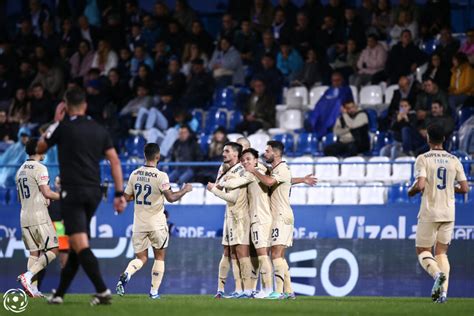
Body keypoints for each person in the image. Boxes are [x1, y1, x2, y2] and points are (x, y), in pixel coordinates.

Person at [38, 87, 127, 305]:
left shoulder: (63, 127)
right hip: (94, 193)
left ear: (66, 107)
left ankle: (103, 290)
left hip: (73, 192)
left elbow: (39, 147)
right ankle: (59, 294)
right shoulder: (99, 129)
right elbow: (114, 161)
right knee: (78, 246)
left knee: (79, 244)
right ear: (85, 105)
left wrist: (56, 122)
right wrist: (118, 193)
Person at [116, 143, 192, 299]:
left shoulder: (134, 174)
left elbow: (126, 197)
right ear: (158, 157)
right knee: (159, 257)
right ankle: (154, 292)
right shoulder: (161, 176)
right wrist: (185, 189)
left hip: (139, 224)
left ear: (144, 155)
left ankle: (127, 274)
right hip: (156, 224)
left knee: (141, 258)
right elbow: (171, 198)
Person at [408, 124, 469, 303]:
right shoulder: (454, 160)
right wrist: (451, 187)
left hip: (430, 212)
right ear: (443, 139)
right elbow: (465, 188)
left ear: (428, 138)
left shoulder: (423, 158)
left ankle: (437, 275)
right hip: (449, 213)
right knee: (442, 253)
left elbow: (420, 185)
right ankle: (442, 294)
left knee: (423, 250)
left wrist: (411, 191)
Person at [243, 140, 294, 299]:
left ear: (276, 153)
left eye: (267, 151)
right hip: (278, 215)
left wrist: (254, 171)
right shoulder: (277, 169)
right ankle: (289, 291)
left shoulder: (282, 169)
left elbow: (270, 181)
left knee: (276, 254)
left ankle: (277, 292)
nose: (265, 153)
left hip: (281, 215)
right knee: (279, 255)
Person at [206, 142, 254, 299]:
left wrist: (213, 189)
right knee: (228, 252)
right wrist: (217, 185)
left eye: (227, 151)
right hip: (229, 215)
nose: (223, 153)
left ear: (235, 154)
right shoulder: (225, 168)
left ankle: (247, 290)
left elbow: (232, 197)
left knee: (241, 252)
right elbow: (220, 185)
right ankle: (222, 289)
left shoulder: (240, 170)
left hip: (240, 215)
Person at [16, 138, 61, 297]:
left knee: (34, 253)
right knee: (54, 249)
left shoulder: (20, 169)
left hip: (24, 216)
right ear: (38, 149)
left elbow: (19, 198)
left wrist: (42, 197)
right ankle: (27, 276)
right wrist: (63, 196)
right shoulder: (40, 168)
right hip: (38, 215)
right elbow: (47, 192)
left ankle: (32, 289)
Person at [309, 72, 354, 137]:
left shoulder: (346, 89)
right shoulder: (329, 90)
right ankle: (313, 124)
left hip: (340, 114)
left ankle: (329, 126)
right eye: (334, 80)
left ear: (342, 80)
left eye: (338, 80)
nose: (336, 82)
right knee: (320, 105)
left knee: (337, 103)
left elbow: (346, 101)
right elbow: (321, 101)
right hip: (324, 113)